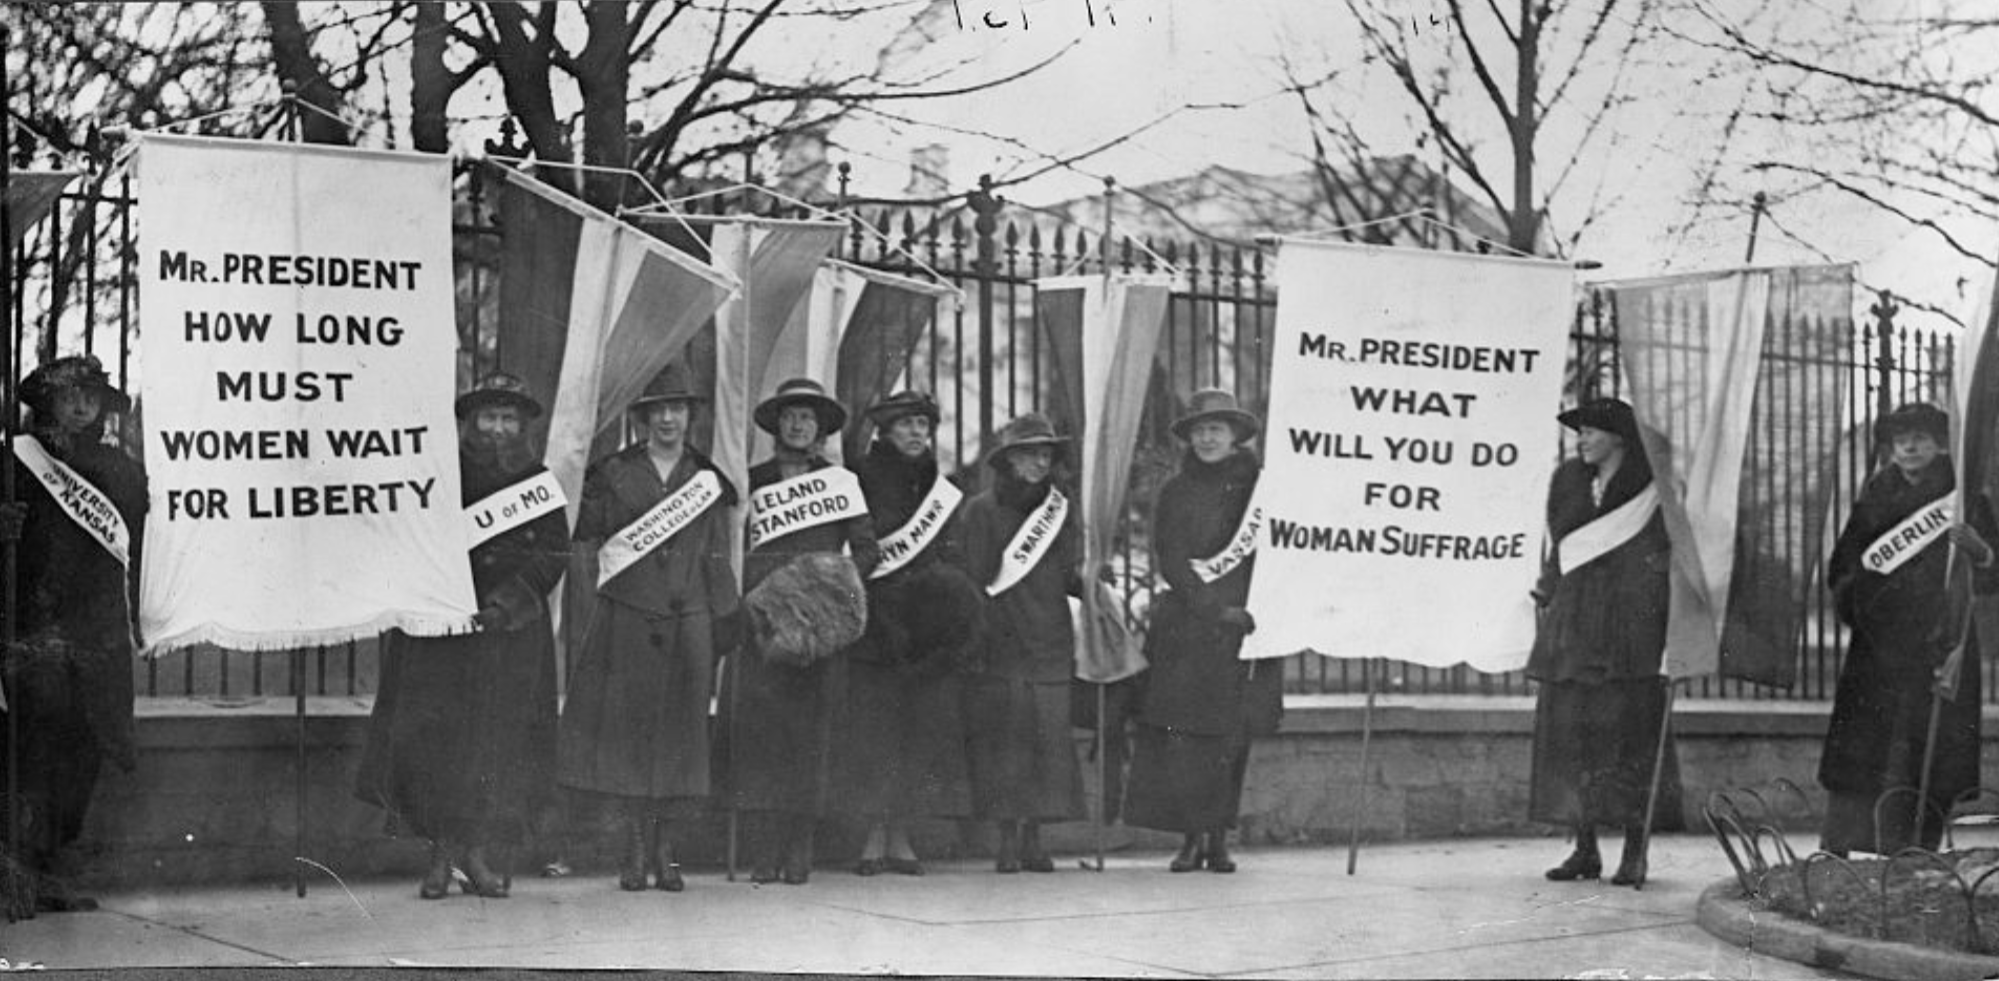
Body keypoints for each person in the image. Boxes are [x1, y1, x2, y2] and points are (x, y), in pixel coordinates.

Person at [355, 373, 569, 900]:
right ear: (470, 424)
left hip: (510, 633)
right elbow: (412, 543)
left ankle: (473, 852)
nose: (497, 429)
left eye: (508, 419)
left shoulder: (539, 483)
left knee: (496, 745)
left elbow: (552, 553)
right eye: (488, 418)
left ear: (522, 426)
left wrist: (506, 602)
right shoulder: (439, 477)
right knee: (438, 746)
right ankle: (440, 855)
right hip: (446, 634)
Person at [558, 363, 740, 893]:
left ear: (690, 416)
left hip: (689, 620)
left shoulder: (706, 479)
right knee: (632, 738)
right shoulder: (614, 473)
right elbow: (582, 527)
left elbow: (717, 555)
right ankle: (635, 849)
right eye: (657, 409)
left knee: (683, 740)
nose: (667, 418)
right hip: (630, 616)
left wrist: (723, 620)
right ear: (641, 418)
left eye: (677, 408)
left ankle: (669, 850)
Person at [0, 355, 145, 914]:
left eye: (92, 396)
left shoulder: (122, 469)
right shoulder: (15, 459)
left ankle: (55, 863)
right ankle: (23, 868)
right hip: (34, 626)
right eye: (70, 396)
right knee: (32, 747)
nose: (82, 405)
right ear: (48, 402)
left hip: (98, 629)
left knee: (87, 746)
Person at [719, 377, 878, 885]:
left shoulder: (841, 483)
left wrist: (824, 593)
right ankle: (763, 850)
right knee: (763, 740)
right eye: (790, 415)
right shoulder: (752, 482)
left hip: (817, 636)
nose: (798, 424)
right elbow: (730, 548)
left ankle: (799, 845)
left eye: (807, 417)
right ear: (776, 425)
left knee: (811, 741)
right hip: (763, 630)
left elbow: (867, 551)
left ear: (820, 429)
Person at [1820, 402, 1994, 856]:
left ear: (1940, 445)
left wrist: (1981, 553)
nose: (1909, 447)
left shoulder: (1966, 498)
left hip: (1940, 643)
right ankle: (1845, 852)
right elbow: (1842, 565)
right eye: (1900, 440)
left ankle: (1914, 854)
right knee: (1864, 752)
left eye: (1919, 438)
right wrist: (1858, 598)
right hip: (1877, 647)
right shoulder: (1875, 495)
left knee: (1926, 755)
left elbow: (1994, 575)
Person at [1527, 396, 1682, 888]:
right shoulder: (1568, 481)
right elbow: (1561, 545)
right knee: (1572, 740)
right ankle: (1585, 849)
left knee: (1629, 740)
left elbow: (1669, 554)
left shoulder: (1652, 488)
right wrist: (1549, 588)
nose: (1583, 439)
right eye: (1580, 432)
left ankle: (1635, 852)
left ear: (1619, 437)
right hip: (1574, 628)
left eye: (1592, 430)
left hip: (1629, 632)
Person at [1125, 388, 1282, 873]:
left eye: (1217, 428)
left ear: (1236, 434)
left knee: (1231, 739)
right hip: (1189, 630)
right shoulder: (1175, 490)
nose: (1208, 438)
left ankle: (1219, 838)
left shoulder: (1265, 490)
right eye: (1199, 430)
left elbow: (1277, 554)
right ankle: (1191, 838)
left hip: (1245, 631)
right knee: (1186, 740)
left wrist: (1252, 610)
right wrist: (1212, 609)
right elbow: (1170, 557)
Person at [830, 390, 979, 876]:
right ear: (885, 431)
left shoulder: (941, 485)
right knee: (876, 736)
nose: (917, 433)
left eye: (923, 425)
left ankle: (901, 835)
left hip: (926, 626)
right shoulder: (861, 478)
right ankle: (873, 835)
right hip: (876, 621)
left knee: (917, 735)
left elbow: (951, 550)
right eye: (906, 425)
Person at [958, 412, 1086, 873]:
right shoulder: (981, 510)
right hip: (1002, 639)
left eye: (1046, 454)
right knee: (1006, 746)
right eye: (1029, 453)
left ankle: (1035, 836)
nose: (1038, 461)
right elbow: (973, 579)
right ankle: (1007, 838)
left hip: (1049, 636)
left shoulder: (1061, 510)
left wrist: (1094, 585)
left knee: (1047, 743)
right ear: (1008, 459)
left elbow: (1069, 573)